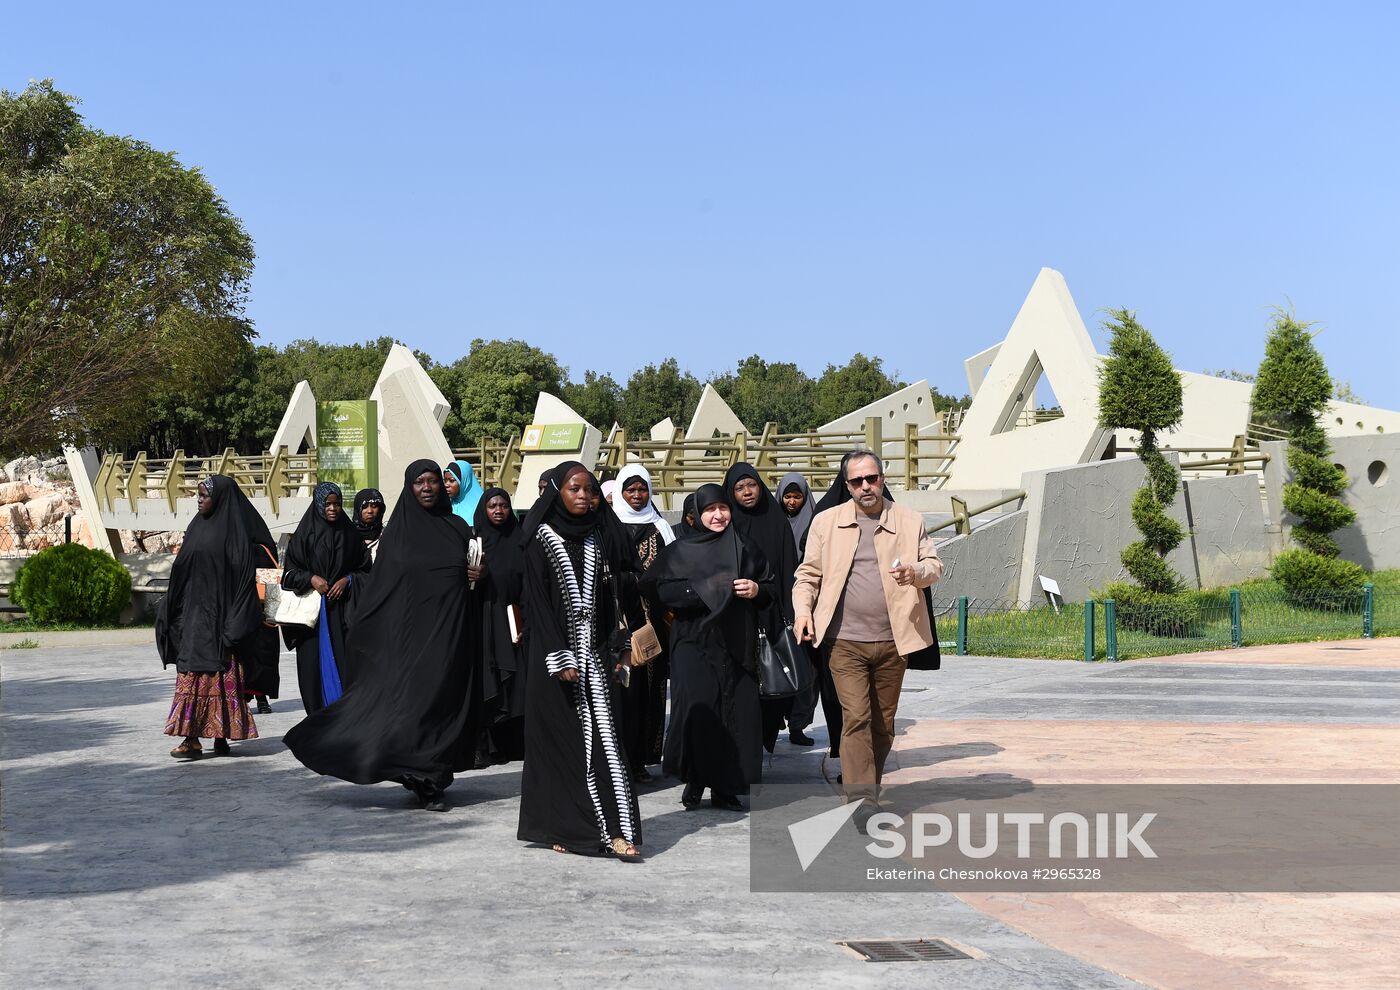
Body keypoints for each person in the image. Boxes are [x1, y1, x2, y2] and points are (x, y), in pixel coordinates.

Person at [284, 460, 483, 812]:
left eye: (433, 481)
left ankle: (435, 773)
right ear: (409, 487)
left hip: (449, 638)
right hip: (407, 642)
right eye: (419, 481)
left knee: (444, 705)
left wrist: (480, 575)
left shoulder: (457, 529)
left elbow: (475, 579)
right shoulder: (397, 535)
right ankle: (423, 779)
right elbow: (380, 589)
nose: (427, 487)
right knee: (412, 708)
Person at [792, 452, 943, 816]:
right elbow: (807, 575)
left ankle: (867, 785)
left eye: (871, 479)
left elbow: (934, 566)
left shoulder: (909, 520)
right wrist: (802, 612)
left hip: (896, 640)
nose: (866, 487)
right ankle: (862, 800)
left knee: (883, 724)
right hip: (843, 642)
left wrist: (915, 572)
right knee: (856, 716)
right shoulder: (826, 522)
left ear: (882, 478)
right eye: (857, 481)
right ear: (847, 486)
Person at [516, 461, 643, 860]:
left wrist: (620, 644)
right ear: (557, 491)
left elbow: (615, 592)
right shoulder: (539, 538)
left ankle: (616, 829)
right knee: (561, 747)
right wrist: (560, 657)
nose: (584, 497)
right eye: (575, 489)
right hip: (554, 661)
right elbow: (535, 603)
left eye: (590, 490)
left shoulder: (599, 536)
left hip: (597, 658)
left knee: (606, 742)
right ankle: (566, 828)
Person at [641, 484, 773, 810]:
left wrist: (756, 589)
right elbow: (656, 587)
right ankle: (696, 780)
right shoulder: (681, 550)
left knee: (734, 716)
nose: (718, 515)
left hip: (736, 645)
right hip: (692, 642)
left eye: (723, 508)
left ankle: (726, 786)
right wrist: (702, 590)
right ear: (697, 514)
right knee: (700, 712)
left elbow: (771, 588)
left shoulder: (745, 547)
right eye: (710, 509)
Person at [156, 475, 277, 759]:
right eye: (197, 495)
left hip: (223, 622)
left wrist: (235, 623)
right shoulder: (196, 528)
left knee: (220, 679)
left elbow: (246, 584)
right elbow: (182, 572)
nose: (199, 500)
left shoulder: (237, 535)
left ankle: (221, 735)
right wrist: (172, 610)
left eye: (204, 495)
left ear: (220, 498)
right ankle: (191, 739)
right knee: (191, 677)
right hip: (194, 620)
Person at [723, 462, 802, 750]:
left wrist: (791, 613)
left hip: (771, 613)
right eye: (740, 488)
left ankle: (765, 736)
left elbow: (788, 569)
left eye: (752, 485)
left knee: (773, 681)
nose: (747, 492)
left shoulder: (775, 519)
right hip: (735, 618)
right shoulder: (726, 523)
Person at [610, 464, 675, 781]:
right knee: (620, 690)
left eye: (642, 489)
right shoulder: (609, 526)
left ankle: (639, 759)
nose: (637, 496)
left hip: (653, 626)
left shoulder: (661, 528)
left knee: (648, 691)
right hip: (615, 622)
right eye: (630, 490)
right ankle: (617, 760)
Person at [281, 482, 370, 713]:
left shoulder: (350, 534)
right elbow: (289, 575)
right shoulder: (304, 535)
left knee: (345, 669)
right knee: (313, 672)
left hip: (342, 615)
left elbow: (366, 571)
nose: (332, 509)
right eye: (327, 504)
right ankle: (317, 722)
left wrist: (347, 581)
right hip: (312, 621)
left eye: (337, 504)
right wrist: (311, 579)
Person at [473, 486, 527, 764]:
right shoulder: (476, 542)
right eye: (492, 506)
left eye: (503, 505)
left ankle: (512, 745)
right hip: (484, 620)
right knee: (487, 679)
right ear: (484, 509)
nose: (498, 511)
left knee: (515, 683)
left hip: (511, 620)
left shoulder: (520, 540)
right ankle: (486, 746)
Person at [351, 488, 385, 559]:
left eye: (374, 506)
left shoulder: (386, 535)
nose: (370, 511)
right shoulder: (347, 534)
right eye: (364, 507)